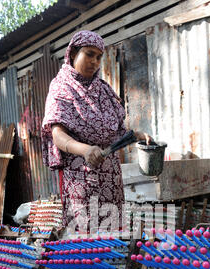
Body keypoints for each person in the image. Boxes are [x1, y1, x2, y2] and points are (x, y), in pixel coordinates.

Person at [41, 30, 152, 234]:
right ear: (73, 53)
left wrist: (135, 135)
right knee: (86, 242)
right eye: (89, 54)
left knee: (113, 236)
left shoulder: (103, 89)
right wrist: (85, 150)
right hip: (81, 177)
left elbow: (113, 133)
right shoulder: (61, 87)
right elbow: (57, 134)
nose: (95, 61)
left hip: (110, 176)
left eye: (99, 57)